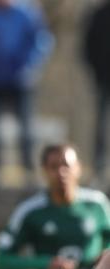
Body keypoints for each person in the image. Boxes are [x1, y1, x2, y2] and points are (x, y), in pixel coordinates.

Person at [0, 0, 54, 177]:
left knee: (26, 123)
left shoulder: (27, 13)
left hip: (22, 79)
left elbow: (42, 41)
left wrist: (28, 66)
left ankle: (27, 163)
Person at [84, 0, 110, 182]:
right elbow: (88, 47)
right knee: (101, 124)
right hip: (104, 78)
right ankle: (99, 164)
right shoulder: (99, 15)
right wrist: (97, 72)